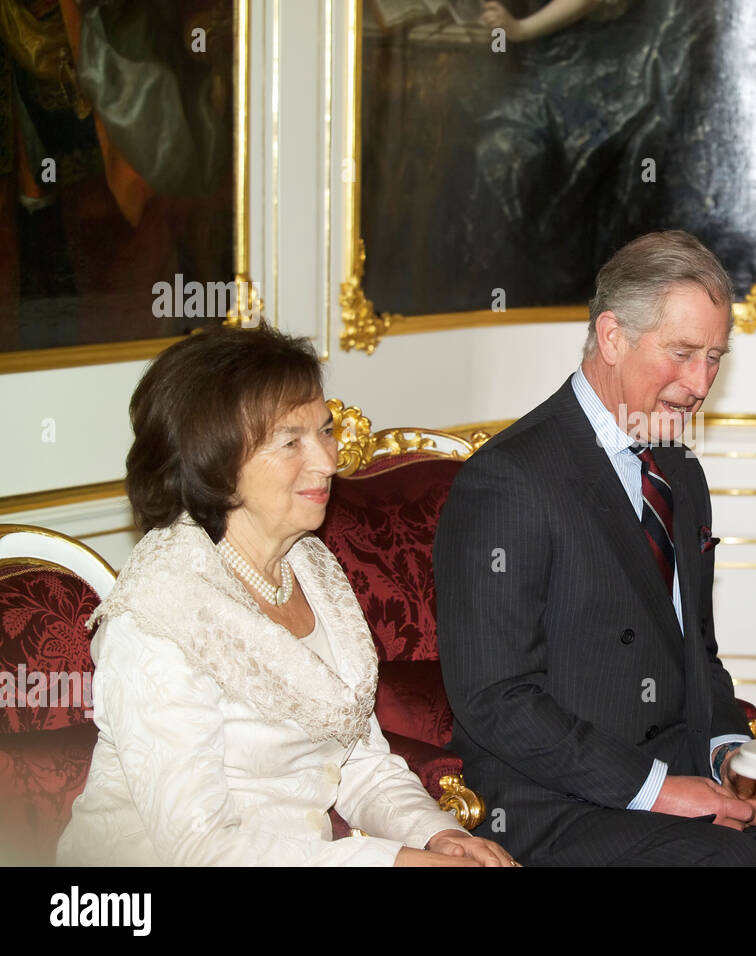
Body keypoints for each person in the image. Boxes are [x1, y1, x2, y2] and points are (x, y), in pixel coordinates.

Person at [57, 325, 515, 866]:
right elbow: (200, 850)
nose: (326, 461)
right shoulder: (158, 617)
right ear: (216, 463)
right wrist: (393, 862)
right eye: (290, 442)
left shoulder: (311, 569)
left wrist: (437, 835)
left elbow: (358, 760)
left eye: (324, 432)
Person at [435, 231, 756, 866]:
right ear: (611, 337)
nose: (700, 381)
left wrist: (731, 756)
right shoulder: (510, 479)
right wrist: (657, 792)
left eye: (715, 357)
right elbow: (495, 698)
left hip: (681, 778)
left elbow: (696, 652)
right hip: (555, 807)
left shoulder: (680, 471)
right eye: (682, 353)